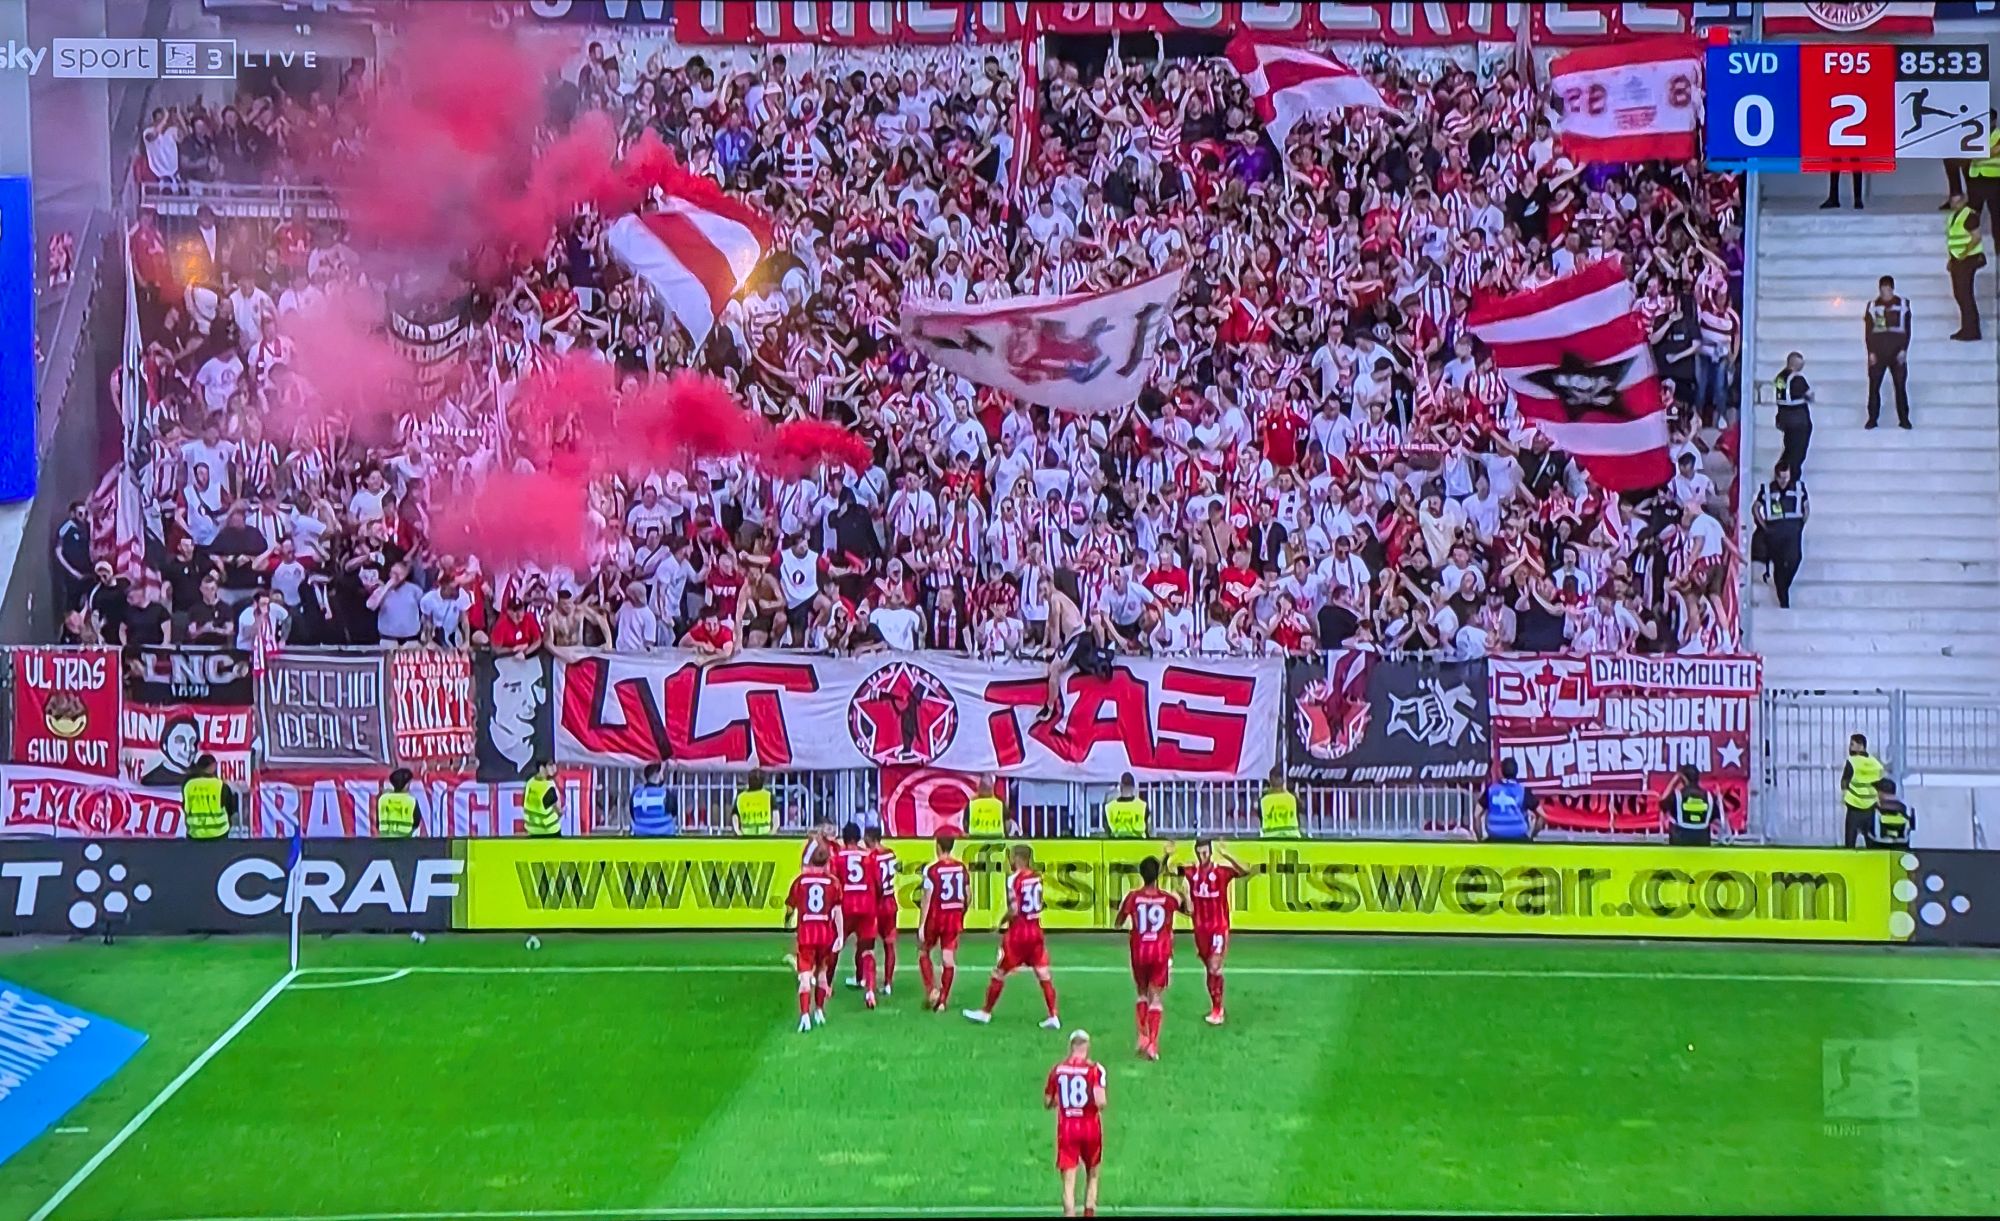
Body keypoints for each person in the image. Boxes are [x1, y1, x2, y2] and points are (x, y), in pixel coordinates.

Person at [964, 843, 1061, 1028]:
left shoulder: (1014, 879)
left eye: (1011, 857)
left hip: (1019, 933)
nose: (1009, 860)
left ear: (1018, 858)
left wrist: (1001, 922)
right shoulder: (1037, 878)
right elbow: (1039, 903)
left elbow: (1014, 909)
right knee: (1043, 973)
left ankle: (985, 1012)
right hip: (1035, 930)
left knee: (999, 972)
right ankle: (1053, 1015)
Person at [1164, 836, 1255, 1025]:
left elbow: (1246, 870)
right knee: (1209, 969)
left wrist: (1227, 854)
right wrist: (1166, 856)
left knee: (1215, 967)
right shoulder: (1191, 872)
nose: (1202, 854)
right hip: (1200, 930)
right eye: (1199, 851)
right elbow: (1169, 870)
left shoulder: (1221, 871)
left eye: (1205, 851)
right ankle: (1215, 1005)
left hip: (1218, 927)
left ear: (1210, 851)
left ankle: (1218, 1010)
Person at [1113, 856, 1181, 1060]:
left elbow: (1118, 922)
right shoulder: (1167, 899)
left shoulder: (1133, 897)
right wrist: (1182, 895)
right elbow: (1188, 910)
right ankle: (1152, 1043)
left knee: (1142, 994)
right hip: (1160, 952)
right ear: (1158, 876)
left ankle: (1142, 1036)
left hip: (1139, 951)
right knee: (1156, 998)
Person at [1046, 1029, 1107, 1219]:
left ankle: (1069, 1214)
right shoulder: (1095, 1069)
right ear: (1086, 1047)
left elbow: (1048, 1102)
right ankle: (1089, 1212)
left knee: (1069, 1182)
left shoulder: (1057, 1070)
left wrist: (1062, 1100)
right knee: (1093, 1174)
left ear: (1071, 1046)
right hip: (1090, 1127)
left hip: (1067, 1128)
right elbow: (1101, 1102)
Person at [784, 845, 844, 1033]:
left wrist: (787, 920)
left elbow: (790, 906)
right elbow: (837, 911)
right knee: (822, 974)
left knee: (805, 977)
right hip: (825, 933)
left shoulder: (801, 882)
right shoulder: (833, 883)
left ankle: (804, 1016)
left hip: (807, 933)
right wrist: (840, 935)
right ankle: (819, 1011)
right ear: (827, 862)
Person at [830, 822, 883, 1008]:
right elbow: (878, 883)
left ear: (844, 838)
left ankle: (826, 985)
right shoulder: (869, 857)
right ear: (859, 837)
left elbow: (834, 884)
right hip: (867, 907)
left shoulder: (837, 858)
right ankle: (869, 990)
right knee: (868, 950)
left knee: (835, 944)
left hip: (846, 908)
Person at [918, 833, 970, 1012]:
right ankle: (942, 1000)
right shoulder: (961, 868)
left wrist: (921, 925)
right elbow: (967, 895)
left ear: (938, 846)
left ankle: (932, 989)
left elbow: (927, 897)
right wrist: (962, 912)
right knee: (948, 958)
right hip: (953, 916)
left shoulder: (931, 869)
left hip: (936, 916)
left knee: (923, 950)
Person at [1752, 464, 1809, 610]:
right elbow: (1756, 507)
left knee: (1795, 558)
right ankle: (1783, 596)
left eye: (1786, 477)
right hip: (1774, 529)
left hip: (1792, 529)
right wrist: (1763, 525)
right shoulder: (1767, 489)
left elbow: (1806, 506)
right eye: (1781, 477)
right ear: (1776, 476)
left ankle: (1784, 587)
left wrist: (1801, 524)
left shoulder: (1798, 487)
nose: (1784, 481)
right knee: (1778, 562)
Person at [1863, 275, 1912, 430]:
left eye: (1887, 290)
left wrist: (1904, 350)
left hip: (1897, 352)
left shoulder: (1903, 304)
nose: (1885, 293)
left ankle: (1904, 419)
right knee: (1874, 387)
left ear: (1892, 289)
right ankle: (1872, 418)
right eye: (1882, 290)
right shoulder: (1873, 305)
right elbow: (1869, 331)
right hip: (1878, 353)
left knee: (1900, 387)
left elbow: (1907, 329)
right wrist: (1871, 352)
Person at [864, 825, 900, 996]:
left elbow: (876, 882)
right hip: (890, 902)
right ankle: (888, 983)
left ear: (870, 839)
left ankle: (867, 981)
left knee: (868, 944)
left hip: (877, 905)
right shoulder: (891, 853)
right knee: (889, 944)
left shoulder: (871, 857)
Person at [1946, 191, 1985, 340]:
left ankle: (1972, 330)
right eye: (1952, 201)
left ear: (1963, 201)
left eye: (1957, 201)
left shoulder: (1969, 215)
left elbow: (1976, 237)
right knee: (1960, 294)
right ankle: (1967, 328)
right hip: (1958, 260)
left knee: (1965, 295)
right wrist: (1952, 259)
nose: (1954, 204)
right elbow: (1952, 241)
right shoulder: (1953, 217)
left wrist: (1964, 252)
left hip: (1968, 260)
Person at [1771, 351, 1814, 478]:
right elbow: (1809, 395)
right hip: (1798, 420)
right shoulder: (1797, 379)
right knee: (1797, 451)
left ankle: (1782, 471)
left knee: (1789, 447)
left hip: (1784, 417)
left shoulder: (1780, 377)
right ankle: (1792, 476)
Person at [1842, 733, 1888, 848]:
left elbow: (1844, 782)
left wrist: (1844, 794)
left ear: (1860, 745)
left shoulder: (1852, 761)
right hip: (1870, 806)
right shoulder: (1875, 763)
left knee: (1850, 842)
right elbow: (1881, 783)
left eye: (1852, 744)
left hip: (1854, 806)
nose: (1850, 747)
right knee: (1871, 841)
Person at [1476, 759, 1540, 842]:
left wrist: (1480, 838)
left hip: (1494, 839)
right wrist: (1532, 837)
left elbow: (1476, 814)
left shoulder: (1491, 790)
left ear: (1501, 772)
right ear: (1516, 772)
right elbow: (1542, 815)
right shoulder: (1523, 791)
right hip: (1520, 840)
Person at [180, 752, 235, 840]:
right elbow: (231, 808)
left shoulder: (188, 784)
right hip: (219, 832)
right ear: (213, 766)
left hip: (195, 833)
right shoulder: (220, 785)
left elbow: (185, 807)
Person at [1660, 764, 1718, 846]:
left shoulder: (1677, 795)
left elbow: (1662, 804)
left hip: (1680, 839)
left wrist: (1673, 782)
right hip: (1702, 839)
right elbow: (1715, 817)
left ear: (1683, 778)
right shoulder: (1710, 796)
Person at [1863, 778, 1915, 848]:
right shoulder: (1908, 809)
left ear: (1880, 792)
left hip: (1877, 847)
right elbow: (1913, 827)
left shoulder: (1872, 808)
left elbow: (1864, 827)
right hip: (1901, 847)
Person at [630, 762, 677, 836]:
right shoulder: (666, 793)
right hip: (664, 837)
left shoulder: (636, 794)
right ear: (658, 774)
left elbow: (633, 815)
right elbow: (674, 814)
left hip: (640, 837)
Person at [376, 767, 418, 838]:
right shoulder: (411, 800)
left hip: (384, 841)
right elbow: (416, 822)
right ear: (407, 785)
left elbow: (378, 822)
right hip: (405, 841)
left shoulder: (383, 799)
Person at [523, 759, 561, 837]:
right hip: (550, 830)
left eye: (554, 765)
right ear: (541, 768)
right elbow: (558, 809)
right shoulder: (549, 786)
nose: (554, 768)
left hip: (532, 830)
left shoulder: (530, 783)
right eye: (550, 765)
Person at [1102, 772, 1147, 837]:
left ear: (1120, 786)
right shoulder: (1143, 806)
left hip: (1115, 845)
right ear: (1134, 787)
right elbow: (1148, 830)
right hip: (1139, 845)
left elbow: (1107, 831)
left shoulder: (1109, 807)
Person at [1259, 768, 1300, 838]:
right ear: (1283, 781)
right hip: (1292, 835)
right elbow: (1298, 815)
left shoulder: (1263, 800)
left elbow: (1261, 818)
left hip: (1270, 836)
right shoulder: (1292, 798)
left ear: (1270, 781)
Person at [733, 768, 772, 835]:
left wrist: (738, 832)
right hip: (762, 836)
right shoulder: (768, 796)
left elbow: (735, 816)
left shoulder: (741, 797)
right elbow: (735, 816)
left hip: (747, 836)